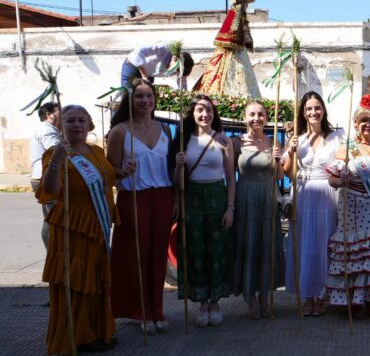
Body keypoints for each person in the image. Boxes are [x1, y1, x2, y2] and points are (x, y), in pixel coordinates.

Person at [38, 105, 123, 354]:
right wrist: (56, 161)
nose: (76, 125)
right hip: (72, 227)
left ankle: (97, 330)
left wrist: (122, 173)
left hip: (97, 225)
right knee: (75, 280)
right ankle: (76, 335)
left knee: (95, 279)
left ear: (89, 125)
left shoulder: (96, 151)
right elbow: (50, 190)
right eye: (70, 120)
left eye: (81, 121)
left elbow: (105, 179)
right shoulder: (56, 152)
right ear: (61, 125)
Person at [106, 79, 174, 335]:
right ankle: (140, 310)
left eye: (149, 96)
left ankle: (157, 309)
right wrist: (122, 171)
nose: (145, 101)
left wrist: (175, 199)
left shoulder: (165, 131)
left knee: (157, 256)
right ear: (130, 101)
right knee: (136, 255)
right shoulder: (120, 132)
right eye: (139, 97)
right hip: (134, 196)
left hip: (163, 195)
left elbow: (169, 168)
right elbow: (109, 172)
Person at [324, 94, 370, 318]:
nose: (367, 124)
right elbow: (332, 179)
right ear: (356, 124)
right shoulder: (346, 149)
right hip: (351, 205)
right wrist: (340, 181)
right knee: (353, 252)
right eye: (363, 121)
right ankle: (352, 298)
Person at [169, 95, 235, 327]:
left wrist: (230, 208)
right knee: (195, 250)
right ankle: (202, 302)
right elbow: (177, 181)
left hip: (217, 198)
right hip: (192, 200)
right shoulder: (183, 141)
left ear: (214, 114)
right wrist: (178, 165)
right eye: (200, 109)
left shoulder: (223, 141)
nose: (204, 114)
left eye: (208, 109)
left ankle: (215, 301)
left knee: (217, 249)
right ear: (193, 113)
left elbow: (230, 178)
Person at [282, 91, 345, 317]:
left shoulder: (336, 136)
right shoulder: (297, 137)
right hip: (304, 194)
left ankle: (322, 295)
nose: (313, 112)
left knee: (324, 245)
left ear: (323, 110)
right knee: (304, 245)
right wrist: (291, 150)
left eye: (317, 107)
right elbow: (287, 172)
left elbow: (342, 165)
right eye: (309, 109)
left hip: (328, 195)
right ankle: (306, 295)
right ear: (303, 112)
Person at [231, 100, 285, 319]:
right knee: (249, 244)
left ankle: (264, 294)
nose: (256, 118)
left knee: (266, 246)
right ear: (245, 118)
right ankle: (250, 296)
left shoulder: (273, 142)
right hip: (245, 198)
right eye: (252, 114)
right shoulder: (236, 143)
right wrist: (231, 205)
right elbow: (230, 177)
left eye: (261, 114)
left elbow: (280, 176)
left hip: (267, 199)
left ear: (266, 117)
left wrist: (278, 159)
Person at [29, 102, 62, 250]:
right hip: (46, 178)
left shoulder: (48, 129)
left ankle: (52, 251)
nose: (61, 114)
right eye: (58, 111)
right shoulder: (47, 131)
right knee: (54, 219)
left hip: (42, 176)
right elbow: (55, 151)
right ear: (49, 115)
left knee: (50, 218)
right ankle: (52, 251)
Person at [120, 42, 194, 88]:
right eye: (176, 70)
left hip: (149, 75)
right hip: (133, 67)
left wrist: (185, 96)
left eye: (177, 73)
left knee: (146, 97)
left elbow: (182, 83)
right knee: (127, 94)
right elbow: (138, 52)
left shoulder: (181, 69)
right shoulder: (165, 48)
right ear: (174, 58)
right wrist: (144, 75)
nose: (174, 72)